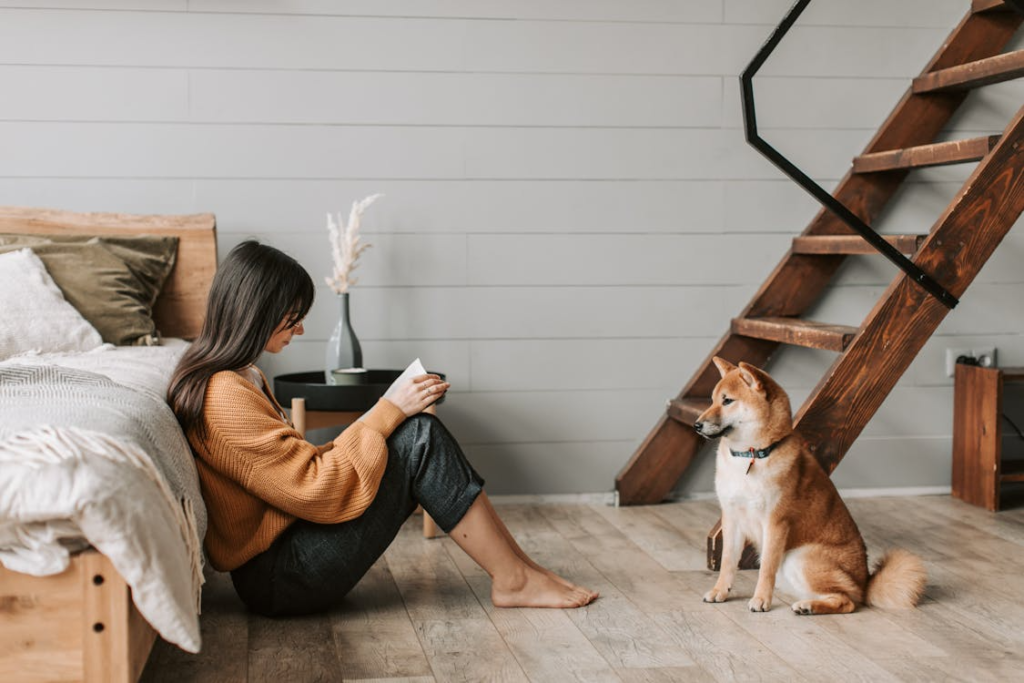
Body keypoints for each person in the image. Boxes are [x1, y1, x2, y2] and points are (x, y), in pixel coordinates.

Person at [167, 240, 597, 616]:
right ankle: (515, 578)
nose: (300, 328)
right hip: (281, 578)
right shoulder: (223, 395)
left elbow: (296, 472)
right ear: (255, 315)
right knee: (418, 438)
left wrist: (389, 414)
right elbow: (315, 488)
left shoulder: (246, 376)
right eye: (291, 317)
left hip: (289, 551)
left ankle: (520, 569)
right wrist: (387, 410)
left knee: (415, 432)